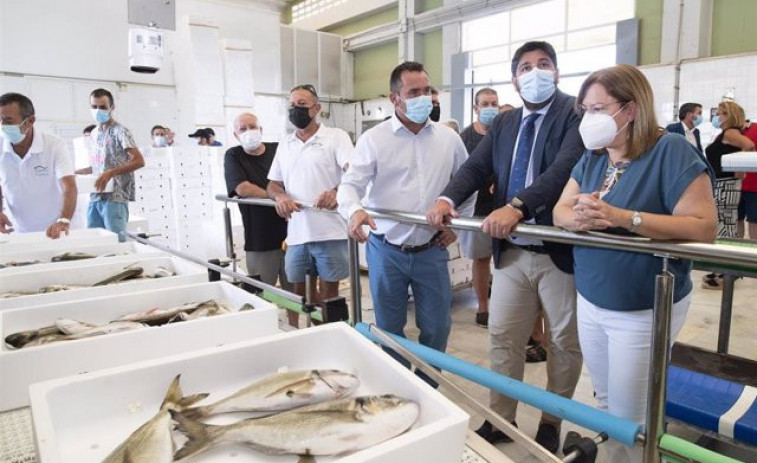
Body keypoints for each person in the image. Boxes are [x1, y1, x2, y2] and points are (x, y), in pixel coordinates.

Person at [553, 64, 717, 462]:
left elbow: (703, 226)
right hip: (592, 299)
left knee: (631, 415)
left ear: (630, 109)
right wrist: (579, 218)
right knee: (607, 400)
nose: (589, 119)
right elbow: (559, 209)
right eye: (585, 110)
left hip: (643, 307)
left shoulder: (670, 151)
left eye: (598, 108)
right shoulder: (595, 157)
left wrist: (622, 218)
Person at [426, 41, 584, 453]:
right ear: (515, 79)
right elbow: (478, 166)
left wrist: (518, 205)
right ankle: (501, 417)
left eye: (544, 64)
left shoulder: (574, 114)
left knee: (565, 345)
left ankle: (551, 421)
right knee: (503, 337)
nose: (536, 72)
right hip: (512, 253)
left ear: (557, 72)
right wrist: (446, 199)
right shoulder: (506, 124)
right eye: (527, 67)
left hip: (558, 254)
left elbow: (564, 169)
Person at [338, 61, 473, 387]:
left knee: (437, 326)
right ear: (394, 98)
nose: (423, 98)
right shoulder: (374, 139)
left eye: (427, 91)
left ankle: (428, 385)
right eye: (414, 92)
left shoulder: (448, 139)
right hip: (387, 250)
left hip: (431, 249)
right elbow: (350, 185)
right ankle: (397, 385)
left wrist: (458, 226)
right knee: (389, 326)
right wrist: (354, 211)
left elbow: (469, 183)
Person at [267, 84, 353, 322]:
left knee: (329, 294)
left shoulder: (336, 137)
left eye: (302, 105)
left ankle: (328, 337)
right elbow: (272, 184)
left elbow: (354, 172)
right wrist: (280, 196)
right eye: (292, 105)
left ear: (317, 108)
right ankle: (296, 336)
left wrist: (338, 191)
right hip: (297, 233)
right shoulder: (285, 143)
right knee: (299, 292)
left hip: (330, 231)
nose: (296, 109)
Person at [224, 112, 289, 288]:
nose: (249, 131)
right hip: (260, 237)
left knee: (296, 294)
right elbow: (242, 188)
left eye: (252, 127)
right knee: (261, 292)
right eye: (243, 129)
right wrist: (278, 197)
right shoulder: (234, 155)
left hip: (292, 233)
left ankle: (294, 318)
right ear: (235, 134)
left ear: (261, 129)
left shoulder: (279, 149)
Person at [0, 92, 77, 238]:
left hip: (57, 229)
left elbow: (70, 186)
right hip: (19, 230)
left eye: (8, 121)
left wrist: (64, 220)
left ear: (30, 121)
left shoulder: (54, 145)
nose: (3, 126)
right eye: (0, 120)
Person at [76, 88, 144, 241]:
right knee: (94, 240)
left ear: (111, 108)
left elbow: (139, 161)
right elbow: (98, 165)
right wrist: (75, 173)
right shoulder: (94, 133)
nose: (98, 110)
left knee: (117, 242)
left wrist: (110, 173)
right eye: (94, 107)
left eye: (102, 107)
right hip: (96, 196)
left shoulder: (120, 131)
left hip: (115, 196)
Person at [458, 87, 500, 328]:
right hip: (477, 209)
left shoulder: (505, 132)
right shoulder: (465, 138)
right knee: (481, 259)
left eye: (494, 103)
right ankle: (482, 306)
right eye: (485, 104)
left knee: (505, 260)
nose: (491, 108)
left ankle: (503, 305)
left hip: (503, 207)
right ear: (476, 108)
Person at [702, 101, 755, 289]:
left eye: (721, 113)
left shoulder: (731, 132)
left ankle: (727, 273)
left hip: (727, 184)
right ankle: (724, 270)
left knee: (726, 226)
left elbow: (749, 146)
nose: (718, 116)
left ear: (729, 115)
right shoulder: (727, 133)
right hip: (724, 183)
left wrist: (740, 169)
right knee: (727, 224)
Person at [738, 120, 757, 239]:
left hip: (753, 186)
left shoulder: (754, 129)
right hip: (735, 185)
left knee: (754, 221)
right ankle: (736, 250)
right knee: (736, 219)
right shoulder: (730, 132)